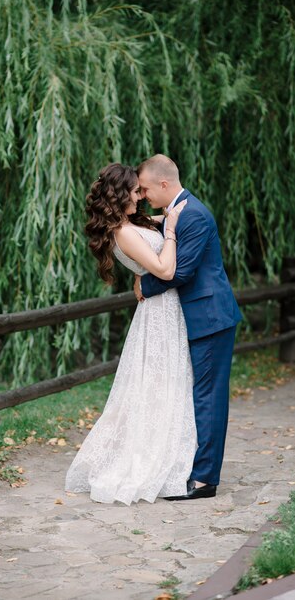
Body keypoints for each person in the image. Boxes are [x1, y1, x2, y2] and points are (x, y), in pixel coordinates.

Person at [64, 162, 197, 505]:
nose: (141, 196)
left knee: (165, 383)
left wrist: (169, 222)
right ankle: (149, 458)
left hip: (165, 310)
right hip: (159, 313)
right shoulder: (122, 232)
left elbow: (166, 221)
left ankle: (169, 447)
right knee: (155, 386)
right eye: (136, 192)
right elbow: (166, 269)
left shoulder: (132, 224)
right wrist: (169, 235)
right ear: (120, 194)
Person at [135, 154, 242, 500]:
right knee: (201, 394)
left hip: (210, 317)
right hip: (202, 315)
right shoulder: (178, 211)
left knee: (208, 397)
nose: (144, 195)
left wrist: (142, 288)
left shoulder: (192, 214)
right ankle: (195, 468)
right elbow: (166, 230)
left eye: (147, 189)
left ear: (164, 184)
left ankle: (205, 480)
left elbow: (182, 272)